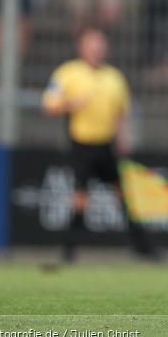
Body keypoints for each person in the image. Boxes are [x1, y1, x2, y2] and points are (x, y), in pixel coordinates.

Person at [41, 29, 159, 262]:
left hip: (106, 145)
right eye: (92, 45)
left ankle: (142, 247)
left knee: (123, 195)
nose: (96, 50)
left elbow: (121, 113)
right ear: (82, 48)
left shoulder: (114, 77)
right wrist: (69, 104)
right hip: (81, 145)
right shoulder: (68, 73)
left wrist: (123, 138)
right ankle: (69, 249)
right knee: (80, 196)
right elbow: (48, 105)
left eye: (100, 45)